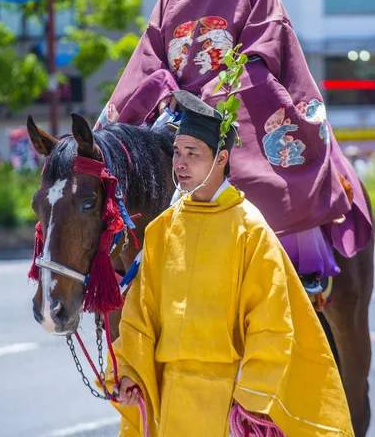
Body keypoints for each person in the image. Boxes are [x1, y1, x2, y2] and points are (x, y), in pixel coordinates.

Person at [96, 0, 372, 295]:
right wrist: (164, 93)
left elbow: (264, 51)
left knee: (263, 173)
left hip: (233, 106)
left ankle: (299, 265)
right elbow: (150, 55)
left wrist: (208, 99)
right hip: (176, 110)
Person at [106, 90, 353, 437]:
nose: (180, 163)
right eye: (177, 152)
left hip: (228, 402)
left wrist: (251, 395)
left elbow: (272, 325)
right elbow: (139, 315)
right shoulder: (163, 229)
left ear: (221, 159)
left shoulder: (250, 229)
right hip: (171, 399)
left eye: (193, 153)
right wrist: (131, 371)